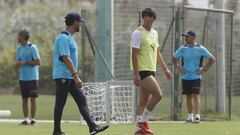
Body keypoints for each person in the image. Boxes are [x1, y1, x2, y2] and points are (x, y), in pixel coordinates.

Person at [52, 12, 109, 135]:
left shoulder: (70, 38)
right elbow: (66, 58)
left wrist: (74, 76)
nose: (80, 25)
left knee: (81, 99)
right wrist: (76, 76)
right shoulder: (63, 38)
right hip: (64, 75)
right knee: (60, 103)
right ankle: (56, 131)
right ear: (74, 23)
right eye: (79, 22)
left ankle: (92, 126)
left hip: (69, 76)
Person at [130, 8, 173, 134]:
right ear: (143, 18)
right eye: (145, 16)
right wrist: (136, 73)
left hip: (151, 69)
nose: (148, 19)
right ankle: (142, 121)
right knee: (158, 94)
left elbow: (157, 53)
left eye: (150, 16)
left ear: (154, 18)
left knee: (143, 100)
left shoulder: (154, 33)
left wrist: (165, 69)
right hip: (142, 70)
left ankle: (139, 129)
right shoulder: (138, 33)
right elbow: (134, 54)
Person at [172, 30, 216, 124]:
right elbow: (174, 58)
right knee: (188, 96)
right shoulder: (183, 48)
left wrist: (204, 69)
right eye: (185, 36)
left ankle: (197, 117)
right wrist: (178, 67)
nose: (185, 38)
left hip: (196, 76)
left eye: (187, 36)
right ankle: (190, 117)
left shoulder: (200, 48)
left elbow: (212, 59)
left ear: (193, 37)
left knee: (196, 95)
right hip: (185, 77)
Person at [16, 29, 40, 125]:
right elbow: (18, 61)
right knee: (24, 99)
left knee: (33, 99)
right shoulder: (19, 48)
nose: (17, 38)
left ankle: (33, 119)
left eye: (18, 36)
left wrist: (25, 62)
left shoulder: (32, 47)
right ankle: (26, 119)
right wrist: (18, 64)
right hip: (23, 78)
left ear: (23, 37)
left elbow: (38, 62)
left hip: (32, 78)